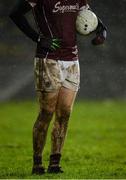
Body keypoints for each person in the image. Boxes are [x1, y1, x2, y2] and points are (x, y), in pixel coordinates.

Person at [9, 0, 107, 175]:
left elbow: (91, 17)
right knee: (46, 112)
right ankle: (37, 163)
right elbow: (15, 14)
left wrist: (102, 31)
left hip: (72, 61)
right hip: (48, 59)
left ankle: (55, 163)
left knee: (64, 114)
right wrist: (38, 38)